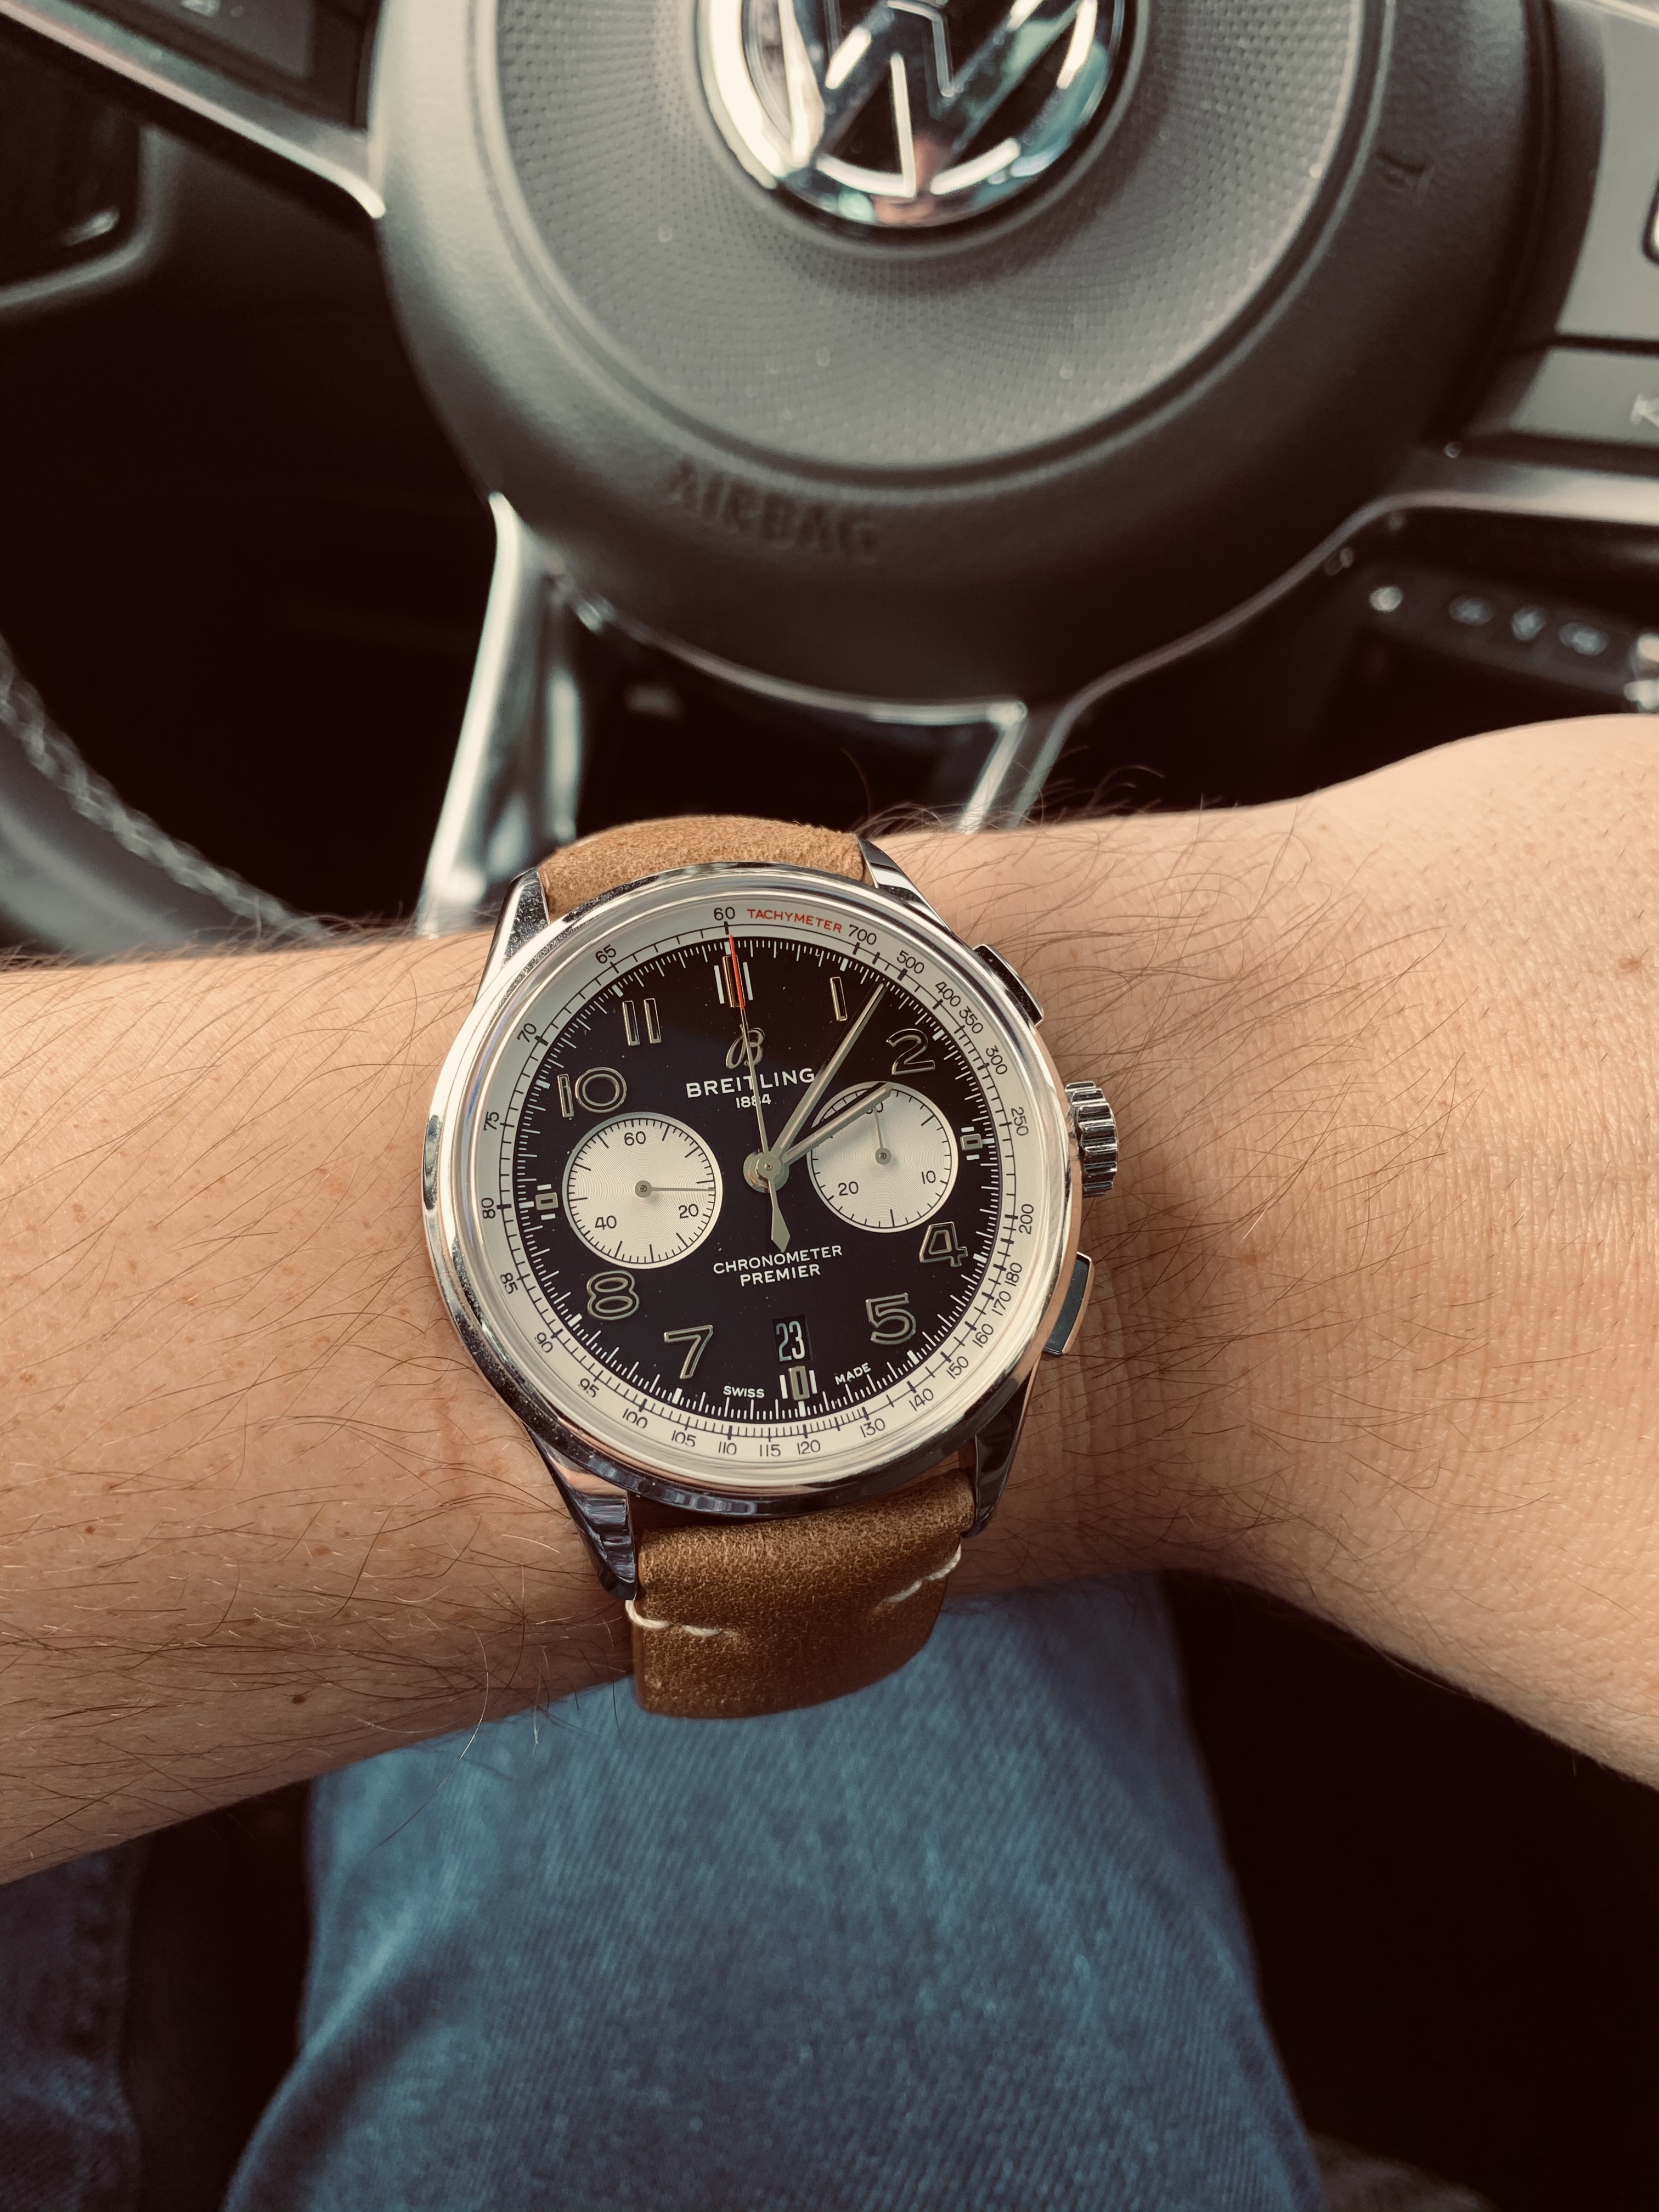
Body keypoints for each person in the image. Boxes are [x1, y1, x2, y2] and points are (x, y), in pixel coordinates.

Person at [0, 720, 1652, 2209]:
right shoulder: (531, 1181)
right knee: (943, 1692)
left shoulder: (993, 1171)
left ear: (1068, 1138)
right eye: (685, 1177)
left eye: (839, 1151)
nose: (767, 1187)